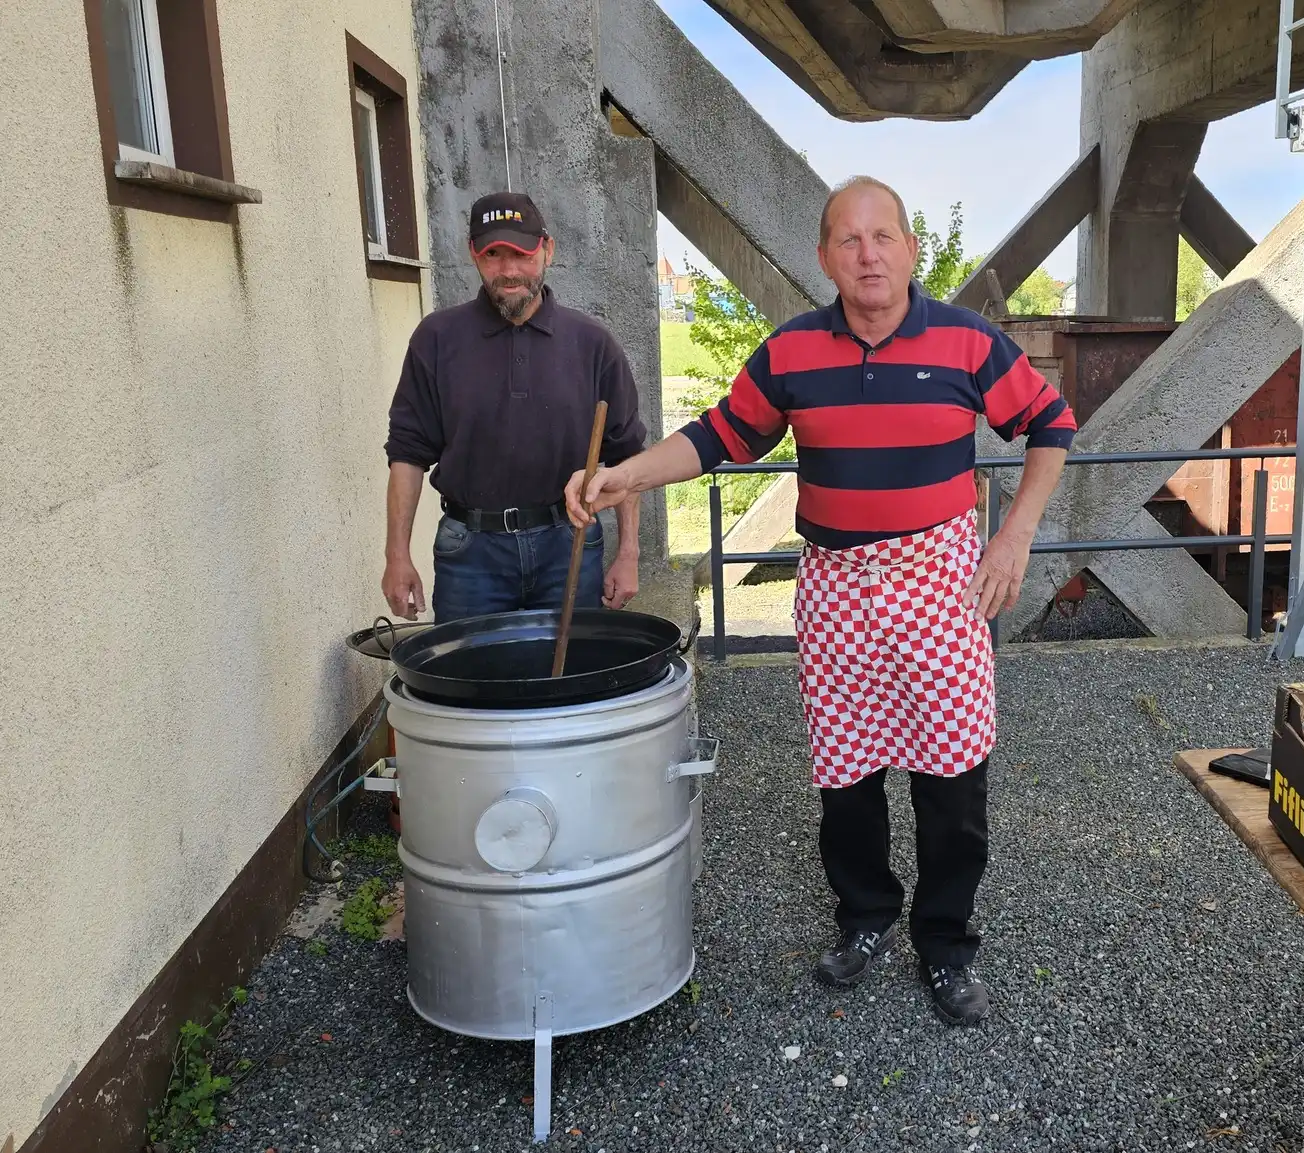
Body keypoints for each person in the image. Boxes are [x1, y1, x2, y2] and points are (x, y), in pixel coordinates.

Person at [565, 176, 1075, 1026]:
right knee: (847, 774)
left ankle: (945, 943)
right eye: (849, 239)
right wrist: (624, 477)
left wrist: (1014, 534)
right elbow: (717, 435)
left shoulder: (965, 341)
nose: (868, 253)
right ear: (824, 257)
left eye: (884, 236)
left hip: (939, 583)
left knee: (953, 779)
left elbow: (1053, 424)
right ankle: (866, 917)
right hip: (836, 586)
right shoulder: (793, 351)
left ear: (912, 249)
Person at [382, 191, 646, 622]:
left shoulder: (593, 344)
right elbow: (408, 454)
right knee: (470, 686)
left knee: (571, 685)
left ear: (547, 250)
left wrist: (629, 553)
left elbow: (626, 456)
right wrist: (397, 556)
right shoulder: (436, 339)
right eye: (493, 255)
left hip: (570, 546)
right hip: (470, 555)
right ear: (473, 255)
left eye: (522, 254)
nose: (509, 271)